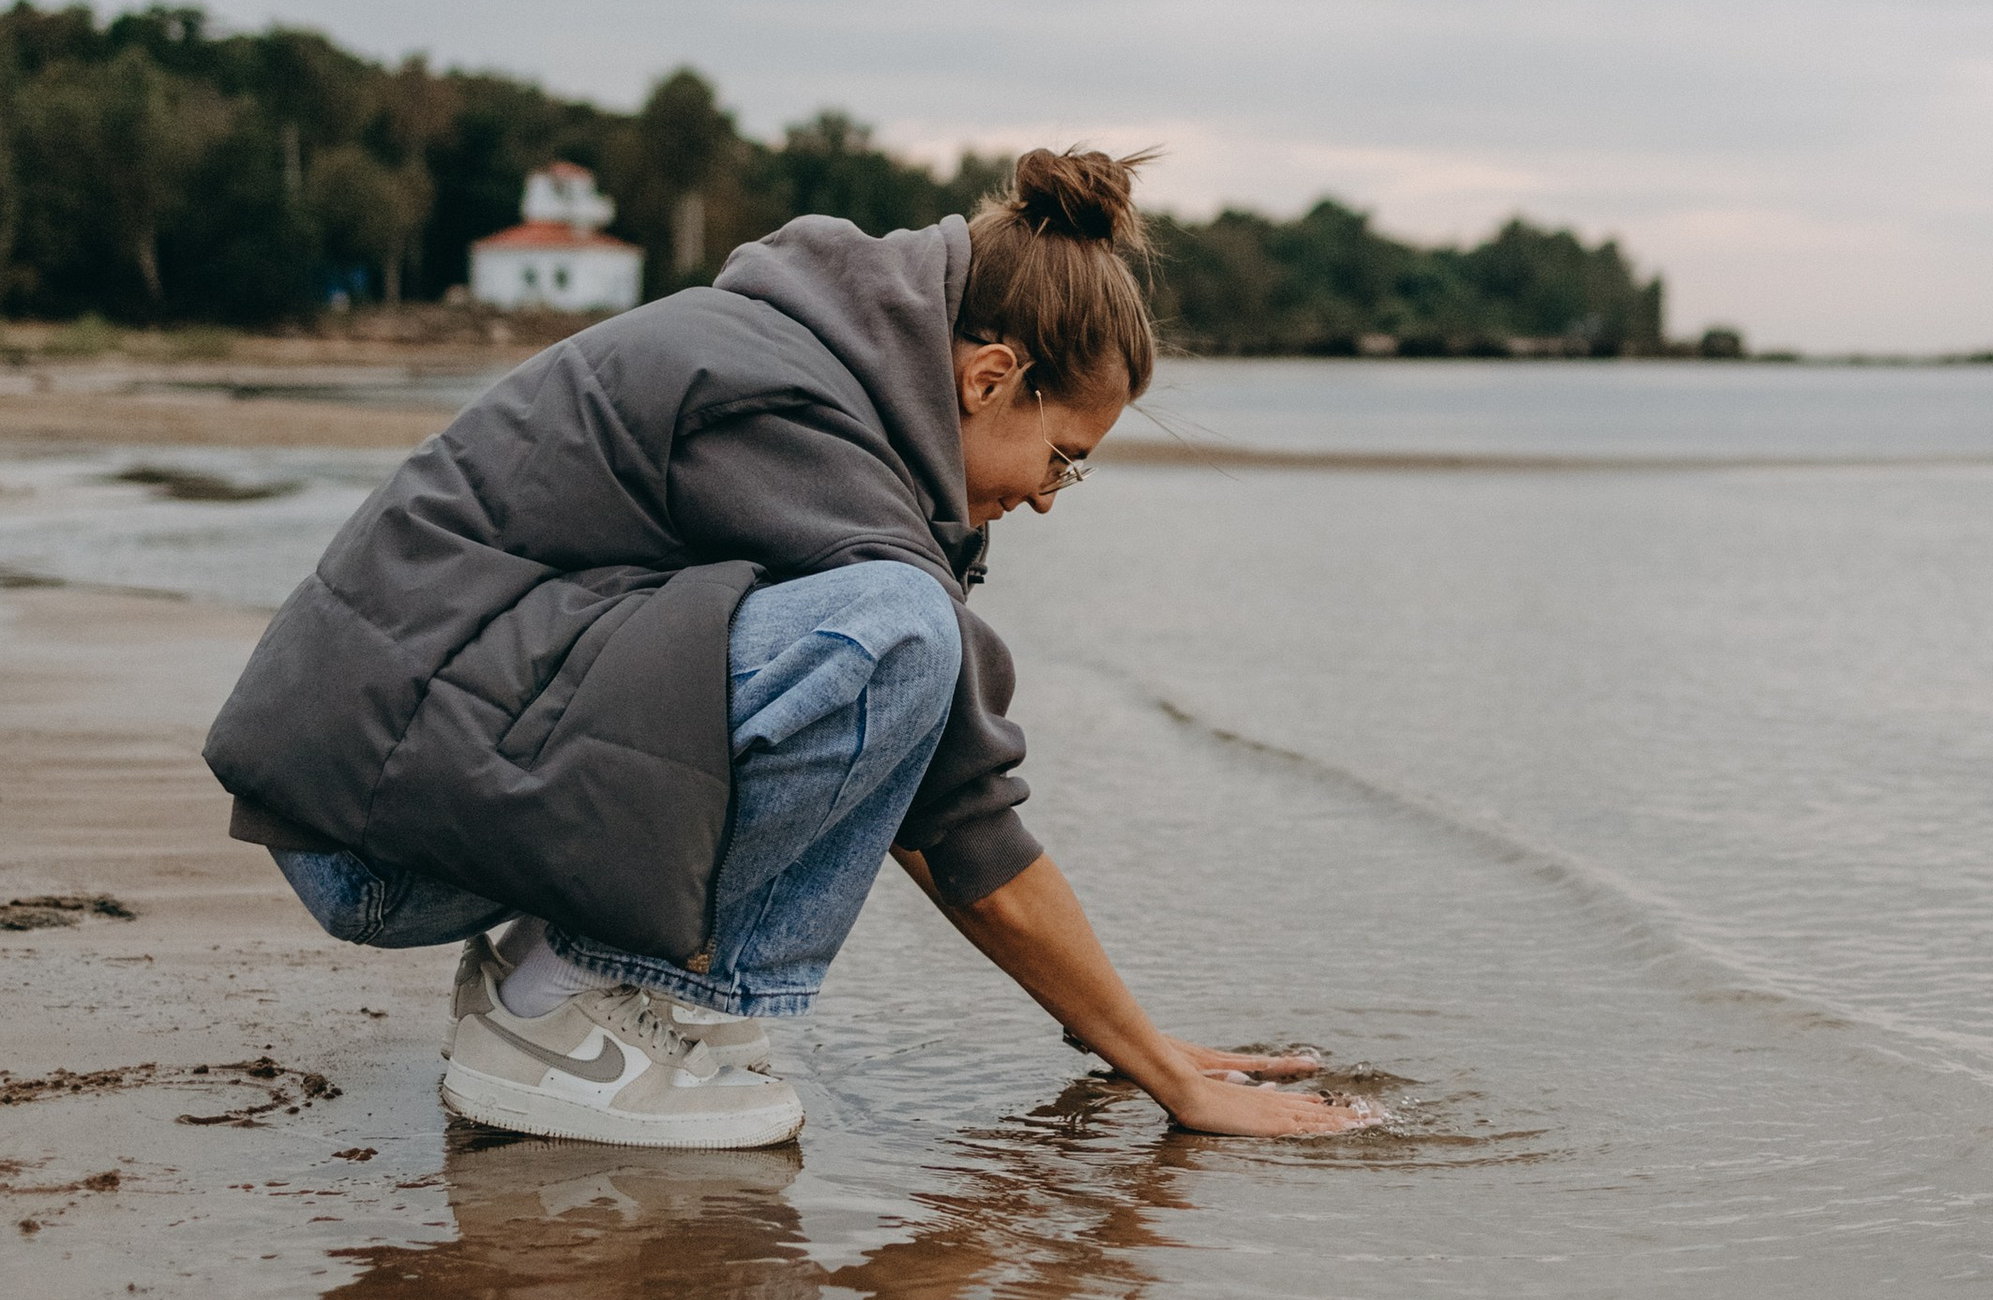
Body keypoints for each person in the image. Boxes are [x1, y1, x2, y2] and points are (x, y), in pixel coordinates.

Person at [205, 147, 1372, 1150]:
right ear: (987, 376)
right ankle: (564, 1014)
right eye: (1063, 455)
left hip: (397, 790)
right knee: (905, 633)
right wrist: (1166, 1077)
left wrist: (1130, 1040)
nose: (1055, 495)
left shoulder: (821, 386)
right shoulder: (787, 406)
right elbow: (950, 787)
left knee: (907, 637)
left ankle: (557, 983)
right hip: (369, 836)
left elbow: (920, 785)